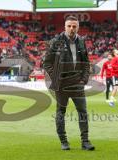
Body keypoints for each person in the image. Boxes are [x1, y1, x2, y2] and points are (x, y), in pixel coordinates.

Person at [43, 16, 94, 151]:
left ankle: (85, 141)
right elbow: (47, 63)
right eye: (69, 26)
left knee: (83, 112)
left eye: (74, 26)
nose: (72, 29)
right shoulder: (55, 42)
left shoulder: (82, 42)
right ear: (65, 27)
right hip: (61, 84)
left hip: (77, 83)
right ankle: (64, 141)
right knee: (61, 112)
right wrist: (56, 76)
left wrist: (84, 79)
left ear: (78, 27)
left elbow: (86, 63)